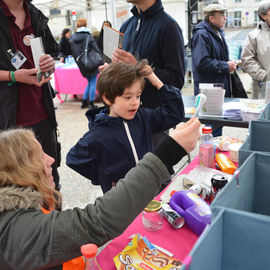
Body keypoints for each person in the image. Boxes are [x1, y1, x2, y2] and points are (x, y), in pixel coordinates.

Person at [0, 117, 200, 269]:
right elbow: (93, 222)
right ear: (19, 170)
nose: (51, 159)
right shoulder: (17, 232)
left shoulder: (25, 209)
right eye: (39, 156)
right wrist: (168, 152)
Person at [66, 60, 185, 193]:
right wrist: (105, 177)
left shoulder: (143, 117)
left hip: (151, 189)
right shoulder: (99, 133)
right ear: (107, 99)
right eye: (128, 97)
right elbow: (74, 159)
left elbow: (174, 113)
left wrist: (154, 79)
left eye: (138, 96)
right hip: (123, 200)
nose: (135, 103)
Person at [0, 0, 61, 190]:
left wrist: (50, 62)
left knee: (50, 179)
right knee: (17, 186)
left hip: (43, 116)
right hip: (8, 123)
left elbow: (52, 51)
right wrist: (12, 76)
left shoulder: (35, 14)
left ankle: (53, 217)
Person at [112, 0, 186, 148]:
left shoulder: (168, 26)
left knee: (153, 170)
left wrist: (139, 68)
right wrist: (112, 70)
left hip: (153, 121)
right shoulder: (126, 26)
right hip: (124, 118)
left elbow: (176, 79)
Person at [191, 3, 237, 136]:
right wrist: (225, 66)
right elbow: (202, 62)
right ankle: (209, 154)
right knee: (212, 127)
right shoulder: (202, 34)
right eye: (222, 15)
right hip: (209, 90)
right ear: (211, 18)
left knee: (217, 125)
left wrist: (228, 65)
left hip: (217, 87)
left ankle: (213, 153)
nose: (225, 18)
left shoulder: (217, 32)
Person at [71, 18, 102, 109]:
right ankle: (91, 104)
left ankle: (84, 102)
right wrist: (102, 61)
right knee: (92, 83)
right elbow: (96, 50)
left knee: (89, 82)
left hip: (81, 63)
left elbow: (73, 52)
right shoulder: (88, 36)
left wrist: (79, 63)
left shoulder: (73, 37)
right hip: (91, 63)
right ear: (85, 24)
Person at [241, 2, 270, 99]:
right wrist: (263, 76)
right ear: (264, 16)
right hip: (264, 86)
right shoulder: (253, 36)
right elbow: (247, 60)